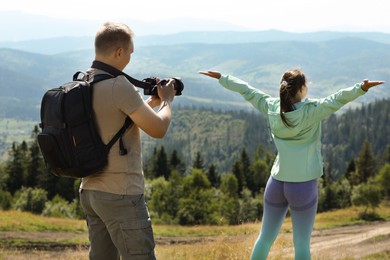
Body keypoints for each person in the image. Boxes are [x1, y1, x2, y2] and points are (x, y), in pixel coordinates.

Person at [199, 69, 384, 260]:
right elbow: (337, 99)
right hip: (302, 185)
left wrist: (223, 78)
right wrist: (361, 87)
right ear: (302, 89)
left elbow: (248, 91)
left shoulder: (271, 107)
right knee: (301, 243)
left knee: (264, 238)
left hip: (276, 182)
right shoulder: (312, 111)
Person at [79, 22, 177, 260]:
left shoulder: (85, 81)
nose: (130, 58)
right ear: (119, 52)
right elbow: (158, 128)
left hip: (90, 191)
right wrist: (167, 101)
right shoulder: (118, 86)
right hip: (120, 193)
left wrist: (151, 103)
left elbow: (118, 119)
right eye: (130, 53)